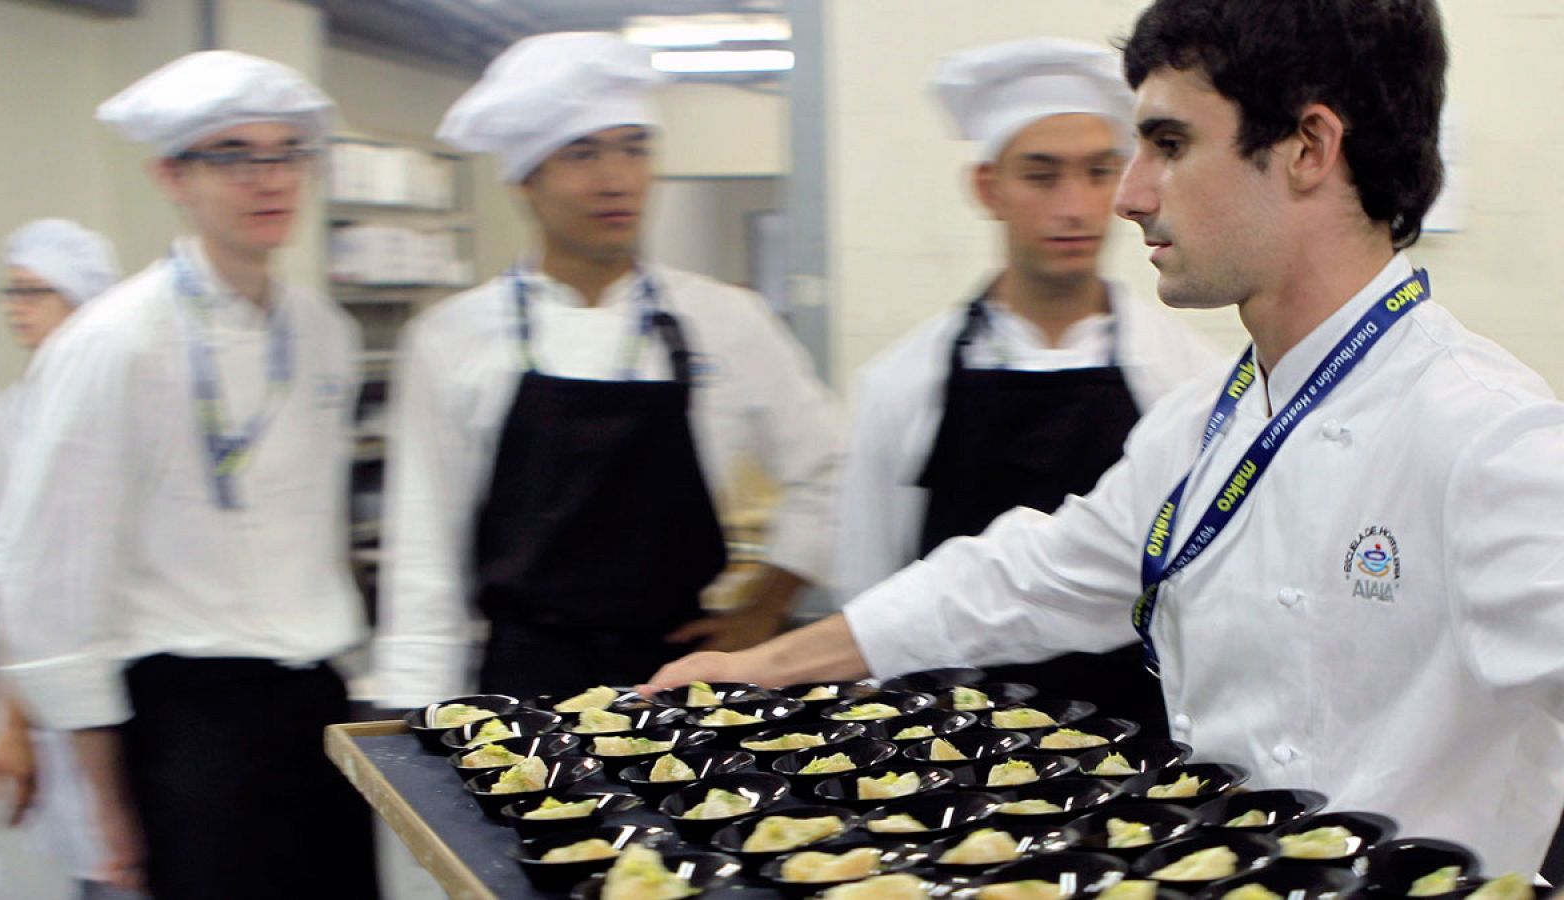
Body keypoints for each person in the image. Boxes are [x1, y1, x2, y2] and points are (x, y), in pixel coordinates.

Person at [647, 0, 1564, 873]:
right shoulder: (1210, 423)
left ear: (1308, 148)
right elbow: (1021, 577)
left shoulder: (1489, 438)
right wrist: (761, 667)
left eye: (1169, 144)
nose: (1127, 197)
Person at [0, 52, 378, 898]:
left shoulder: (323, 333)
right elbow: (49, 584)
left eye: (287, 153)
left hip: (316, 698)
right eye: (233, 155)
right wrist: (106, 800)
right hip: (184, 714)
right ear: (172, 174)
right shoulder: (112, 342)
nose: (268, 178)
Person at [373, 32, 843, 706]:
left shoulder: (726, 319)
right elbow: (424, 557)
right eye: (582, 153)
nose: (615, 178)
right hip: (522, 692)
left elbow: (831, 465)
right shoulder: (450, 339)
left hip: (683, 679)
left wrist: (767, 604)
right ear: (525, 179)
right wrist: (415, 730)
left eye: (634, 147)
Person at [834, 38, 1218, 731]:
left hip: (1139, 761)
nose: (1075, 207)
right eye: (1042, 177)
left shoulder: (1188, 376)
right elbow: (867, 592)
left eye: (1099, 173)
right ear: (988, 188)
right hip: (948, 764)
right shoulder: (901, 383)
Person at [0, 219, 128, 900]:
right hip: (53, 676)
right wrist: (15, 719)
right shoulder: (20, 405)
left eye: (34, 291)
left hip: (127, 673)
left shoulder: (117, 398)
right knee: (94, 859)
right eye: (10, 291)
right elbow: (19, 574)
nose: (16, 306)